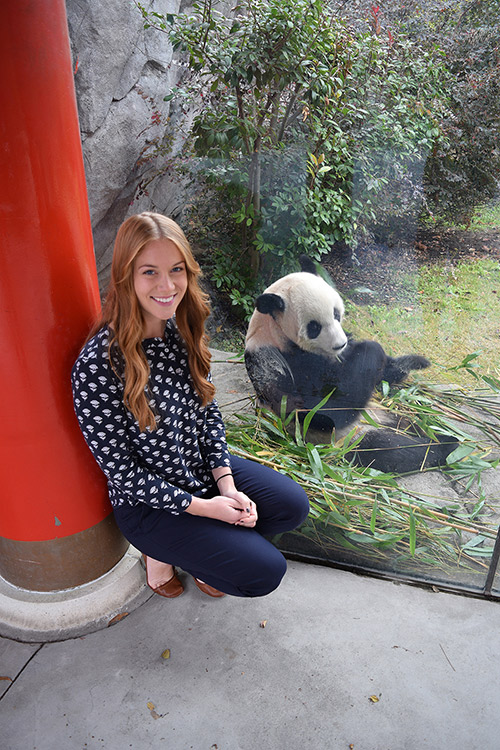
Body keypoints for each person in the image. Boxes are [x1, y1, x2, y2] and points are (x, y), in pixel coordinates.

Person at [71, 212, 309, 599]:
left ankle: (206, 549)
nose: (167, 286)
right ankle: (162, 556)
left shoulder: (181, 326)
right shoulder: (98, 365)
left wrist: (226, 486)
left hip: (196, 469)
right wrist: (206, 508)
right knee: (264, 572)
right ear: (126, 277)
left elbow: (208, 411)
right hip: (149, 504)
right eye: (149, 272)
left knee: (292, 505)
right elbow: (122, 473)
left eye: (176, 269)